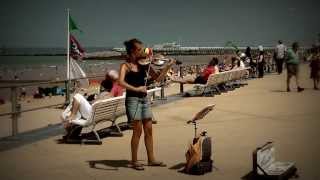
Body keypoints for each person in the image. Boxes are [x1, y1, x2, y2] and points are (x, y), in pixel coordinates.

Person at [119, 38, 176, 170]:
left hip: (144, 100)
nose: (143, 51)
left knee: (149, 131)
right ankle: (134, 161)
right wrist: (137, 88)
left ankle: (151, 159)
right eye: (139, 49)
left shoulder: (144, 65)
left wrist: (167, 66)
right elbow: (121, 82)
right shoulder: (125, 66)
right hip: (133, 100)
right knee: (137, 132)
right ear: (132, 51)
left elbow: (158, 78)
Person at [61, 70, 123, 136]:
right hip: (106, 114)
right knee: (76, 105)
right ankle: (72, 131)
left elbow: (99, 102)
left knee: (77, 96)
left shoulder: (109, 92)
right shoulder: (118, 88)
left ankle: (71, 117)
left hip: (93, 115)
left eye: (106, 77)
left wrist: (93, 101)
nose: (100, 88)